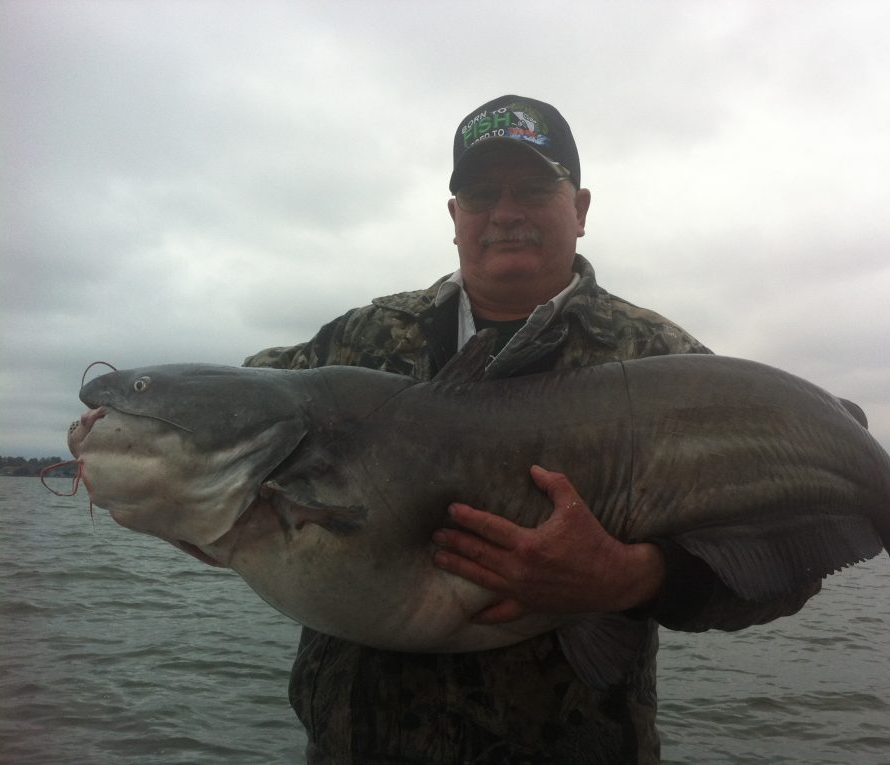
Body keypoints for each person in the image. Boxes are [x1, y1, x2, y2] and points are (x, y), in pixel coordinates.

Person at [245, 95, 819, 765]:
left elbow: (793, 558)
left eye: (534, 188)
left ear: (580, 209)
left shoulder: (665, 364)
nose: (505, 213)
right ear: (454, 218)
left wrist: (635, 578)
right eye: (482, 193)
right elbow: (242, 407)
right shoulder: (363, 341)